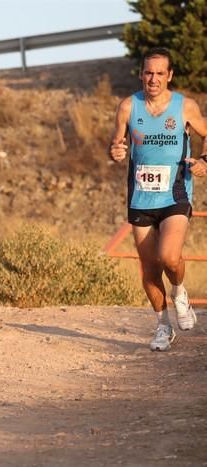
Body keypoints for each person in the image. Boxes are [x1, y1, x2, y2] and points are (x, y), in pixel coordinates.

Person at [109, 47, 207, 351]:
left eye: (159, 73)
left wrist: (204, 160)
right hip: (140, 198)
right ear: (141, 74)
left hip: (175, 193)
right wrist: (115, 151)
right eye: (148, 73)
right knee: (150, 268)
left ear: (170, 76)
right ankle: (163, 327)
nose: (153, 79)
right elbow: (116, 143)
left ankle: (179, 293)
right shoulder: (128, 107)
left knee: (169, 256)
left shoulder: (184, 107)